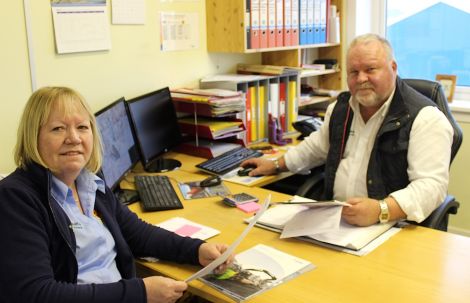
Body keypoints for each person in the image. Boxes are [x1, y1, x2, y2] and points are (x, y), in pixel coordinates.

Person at [0, 86, 233, 303]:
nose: (74, 138)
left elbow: (139, 234)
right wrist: (140, 292)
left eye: (82, 127)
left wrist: (197, 251)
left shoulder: (89, 184)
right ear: (33, 137)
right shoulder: (16, 198)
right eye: (58, 128)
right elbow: (36, 294)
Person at [241, 33, 453, 227]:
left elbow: (431, 186)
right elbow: (317, 147)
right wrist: (276, 164)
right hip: (335, 221)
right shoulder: (341, 108)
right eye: (354, 72)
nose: (361, 79)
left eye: (370, 69)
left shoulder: (425, 118)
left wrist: (382, 210)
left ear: (393, 67)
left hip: (390, 225)